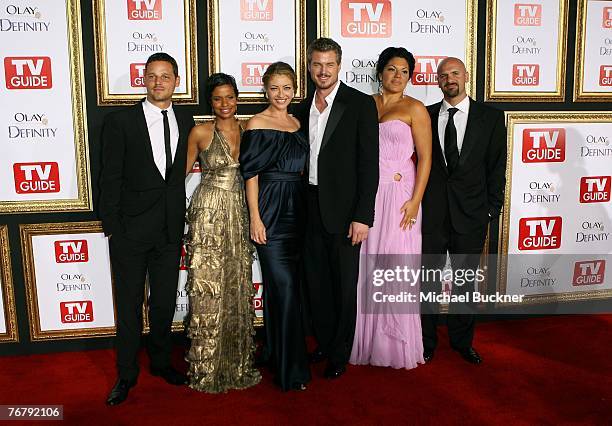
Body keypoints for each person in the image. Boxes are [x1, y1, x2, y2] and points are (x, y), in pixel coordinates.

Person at [99, 52, 195, 405]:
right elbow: (109, 177)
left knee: (164, 303)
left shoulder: (186, 119)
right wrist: (112, 228)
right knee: (127, 307)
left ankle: (159, 362)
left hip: (170, 230)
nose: (158, 82)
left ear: (176, 81)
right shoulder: (121, 122)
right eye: (152, 76)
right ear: (143, 80)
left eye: (165, 76)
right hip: (130, 232)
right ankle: (126, 374)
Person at [297, 38, 379, 379]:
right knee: (317, 283)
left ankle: (340, 354)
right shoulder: (301, 107)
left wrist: (363, 216)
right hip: (308, 207)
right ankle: (326, 342)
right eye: (317, 64)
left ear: (339, 65)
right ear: (310, 66)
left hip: (346, 213)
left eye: (329, 64)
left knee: (344, 286)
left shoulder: (358, 104)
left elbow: (368, 165)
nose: (323, 70)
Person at [420, 57, 507, 365]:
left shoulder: (491, 118)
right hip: (432, 215)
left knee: (465, 283)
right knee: (427, 280)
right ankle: (426, 341)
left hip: (472, 215)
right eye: (443, 75)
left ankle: (461, 342)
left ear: (466, 76)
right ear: (438, 81)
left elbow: (497, 169)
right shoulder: (425, 116)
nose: (449, 79)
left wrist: (491, 210)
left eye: (454, 73)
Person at [350, 47, 432, 369]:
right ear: (380, 72)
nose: (397, 76)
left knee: (395, 266)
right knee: (368, 265)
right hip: (369, 194)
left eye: (403, 71)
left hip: (400, 197)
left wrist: (415, 200)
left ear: (409, 76)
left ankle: (394, 345)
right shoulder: (365, 105)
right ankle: (367, 340)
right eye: (391, 69)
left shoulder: (416, 108)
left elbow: (425, 159)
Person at [183, 73, 261, 393]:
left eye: (230, 97)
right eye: (218, 98)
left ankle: (237, 361)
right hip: (209, 213)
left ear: (237, 98)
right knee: (209, 285)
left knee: (236, 284)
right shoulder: (200, 132)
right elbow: (181, 175)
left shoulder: (251, 129)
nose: (224, 104)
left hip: (240, 211)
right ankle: (206, 367)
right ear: (210, 102)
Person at [239, 62, 311, 391]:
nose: (281, 94)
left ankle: (274, 350)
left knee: (287, 289)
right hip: (270, 209)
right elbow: (250, 176)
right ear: (265, 90)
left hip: (299, 208)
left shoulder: (299, 123)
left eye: (287, 88)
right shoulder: (256, 123)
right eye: (274, 88)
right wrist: (255, 217)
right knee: (284, 289)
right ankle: (291, 369)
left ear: (295, 89)